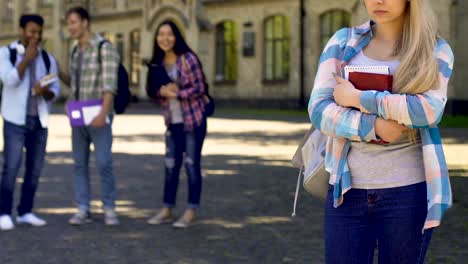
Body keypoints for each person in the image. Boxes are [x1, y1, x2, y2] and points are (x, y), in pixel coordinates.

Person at [308, 0, 453, 263]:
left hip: (409, 192)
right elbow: (319, 110)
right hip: (346, 192)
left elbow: (427, 111)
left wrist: (358, 98)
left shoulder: (435, 49)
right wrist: (374, 127)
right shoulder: (342, 43)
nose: (378, 0)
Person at [59, 7, 120, 226]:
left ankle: (110, 209)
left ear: (85, 22)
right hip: (79, 119)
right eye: (69, 24)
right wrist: (58, 73)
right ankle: (83, 209)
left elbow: (109, 84)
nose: (71, 27)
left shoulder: (104, 47)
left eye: (74, 22)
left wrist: (103, 114)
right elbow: (75, 86)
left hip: (99, 116)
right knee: (79, 165)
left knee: (104, 163)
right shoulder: (75, 50)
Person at [0, 14, 60, 231]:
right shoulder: (6, 53)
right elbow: (9, 80)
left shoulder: (48, 59)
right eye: (31, 31)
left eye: (39, 32)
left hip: (39, 121)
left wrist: (44, 91)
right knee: (11, 167)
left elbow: (55, 92)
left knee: (34, 170)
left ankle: (26, 211)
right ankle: (4, 212)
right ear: (21, 30)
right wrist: (26, 59)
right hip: (15, 121)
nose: (35, 36)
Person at [147, 20, 208, 228]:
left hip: (193, 121)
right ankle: (167, 208)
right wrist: (160, 92)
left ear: (177, 36)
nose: (165, 38)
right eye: (161, 34)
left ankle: (191, 210)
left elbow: (200, 88)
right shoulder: (157, 63)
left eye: (169, 34)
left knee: (191, 165)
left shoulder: (188, 59)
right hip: (172, 123)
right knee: (171, 166)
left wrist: (176, 93)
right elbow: (152, 90)